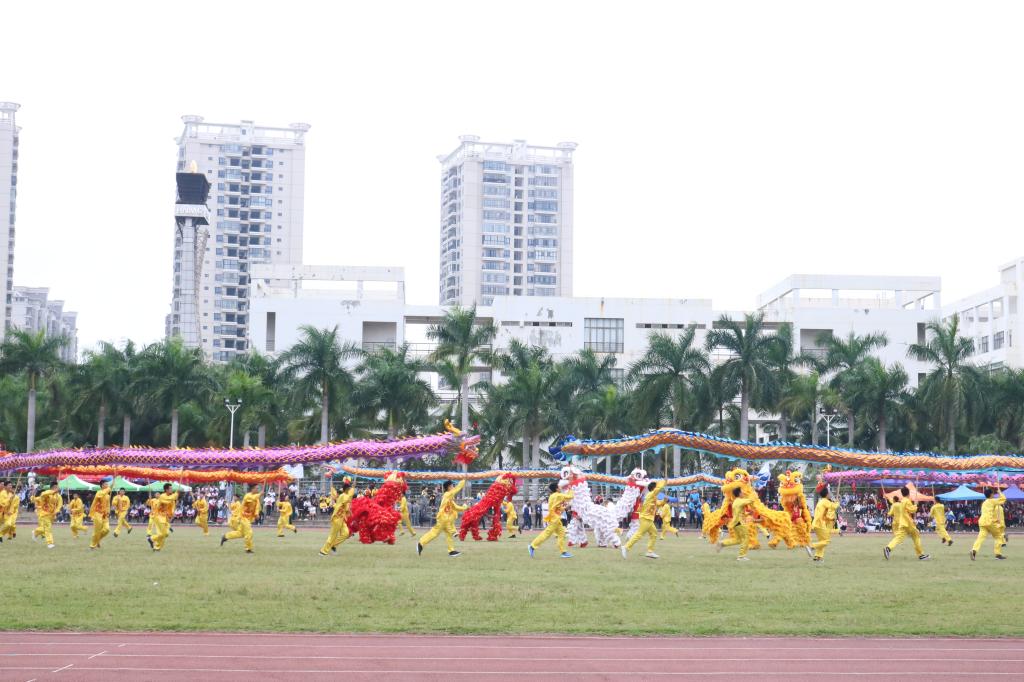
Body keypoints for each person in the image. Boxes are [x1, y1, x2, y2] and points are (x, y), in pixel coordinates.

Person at [417, 479, 467, 557]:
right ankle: (453, 532)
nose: (453, 487)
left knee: (442, 534)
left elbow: (455, 507)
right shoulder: (447, 494)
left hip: (445, 519)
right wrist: (463, 481)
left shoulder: (449, 498)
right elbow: (457, 489)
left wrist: (465, 507)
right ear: (449, 487)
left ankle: (451, 550)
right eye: (452, 486)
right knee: (435, 533)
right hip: (443, 519)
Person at [623, 479, 667, 560]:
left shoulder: (653, 496)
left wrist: (664, 501)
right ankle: (626, 547)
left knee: (654, 534)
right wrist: (664, 482)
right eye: (656, 487)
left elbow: (658, 504)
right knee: (639, 534)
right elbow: (658, 489)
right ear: (654, 488)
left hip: (648, 519)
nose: (658, 490)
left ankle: (650, 551)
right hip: (645, 518)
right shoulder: (650, 494)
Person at [529, 482, 575, 559]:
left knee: (562, 534)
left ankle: (563, 552)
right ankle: (532, 546)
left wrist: (564, 508)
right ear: (556, 489)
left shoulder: (553, 496)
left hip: (555, 518)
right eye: (559, 487)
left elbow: (556, 508)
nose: (560, 488)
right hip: (555, 519)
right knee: (547, 534)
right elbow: (570, 496)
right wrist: (571, 488)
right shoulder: (558, 495)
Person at [884, 487, 929, 561]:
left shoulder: (902, 501)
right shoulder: (907, 501)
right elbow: (912, 510)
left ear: (902, 494)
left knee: (898, 537)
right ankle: (921, 555)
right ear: (908, 493)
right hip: (908, 523)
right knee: (916, 537)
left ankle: (888, 548)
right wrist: (916, 505)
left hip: (902, 523)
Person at [319, 477, 356, 556]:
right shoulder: (343, 496)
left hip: (342, 519)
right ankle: (323, 551)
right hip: (337, 519)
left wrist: (350, 512)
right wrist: (353, 488)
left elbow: (347, 506)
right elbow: (349, 497)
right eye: (349, 489)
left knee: (346, 534)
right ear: (347, 489)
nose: (350, 490)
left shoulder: (344, 496)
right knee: (332, 536)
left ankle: (333, 545)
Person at [222, 484, 261, 553]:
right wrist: (260, 494)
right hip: (243, 517)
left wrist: (256, 514)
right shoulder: (247, 496)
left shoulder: (256, 499)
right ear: (252, 489)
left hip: (247, 518)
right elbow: (252, 499)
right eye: (256, 488)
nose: (257, 490)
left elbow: (257, 507)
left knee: (241, 533)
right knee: (249, 532)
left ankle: (226, 536)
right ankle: (248, 549)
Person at [717, 488, 754, 561]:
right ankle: (741, 556)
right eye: (742, 492)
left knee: (738, 540)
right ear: (739, 493)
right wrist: (753, 493)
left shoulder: (736, 502)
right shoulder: (740, 501)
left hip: (736, 522)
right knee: (745, 538)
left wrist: (748, 513)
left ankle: (722, 543)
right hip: (740, 522)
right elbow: (751, 500)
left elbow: (740, 513)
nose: (743, 493)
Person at [971, 488, 1007, 560]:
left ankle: (974, 550)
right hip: (989, 522)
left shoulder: (984, 503)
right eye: (993, 493)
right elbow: (1003, 499)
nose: (993, 494)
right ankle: (998, 555)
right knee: (998, 536)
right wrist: (999, 492)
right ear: (991, 494)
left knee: (980, 538)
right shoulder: (992, 501)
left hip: (982, 522)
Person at [810, 487, 838, 562]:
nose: (830, 494)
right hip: (819, 523)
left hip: (816, 523)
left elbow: (825, 514)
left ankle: (818, 557)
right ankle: (812, 546)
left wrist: (831, 519)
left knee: (822, 541)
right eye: (829, 493)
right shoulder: (825, 501)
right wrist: (837, 502)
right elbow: (834, 506)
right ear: (826, 494)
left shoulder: (822, 501)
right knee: (827, 541)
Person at [30, 482, 62, 548]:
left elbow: (60, 505)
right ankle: (50, 543)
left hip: (52, 515)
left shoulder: (58, 496)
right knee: (48, 528)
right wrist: (52, 492)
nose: (57, 488)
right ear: (52, 488)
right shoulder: (46, 494)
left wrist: (56, 511)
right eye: (55, 487)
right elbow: (42, 495)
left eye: (57, 487)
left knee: (44, 528)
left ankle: (35, 532)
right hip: (44, 513)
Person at [149, 483, 178, 551]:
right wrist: (175, 494)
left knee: (166, 534)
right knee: (163, 533)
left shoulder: (172, 498)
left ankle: (155, 544)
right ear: (166, 490)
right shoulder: (162, 496)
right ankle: (152, 539)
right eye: (170, 488)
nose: (172, 489)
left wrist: (171, 514)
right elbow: (167, 501)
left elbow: (171, 508)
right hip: (158, 516)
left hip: (164, 517)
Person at [89, 478, 113, 550]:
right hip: (97, 514)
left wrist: (108, 512)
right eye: (106, 484)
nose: (107, 485)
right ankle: (93, 545)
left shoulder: (108, 496)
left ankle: (97, 540)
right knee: (97, 531)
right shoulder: (99, 492)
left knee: (107, 529)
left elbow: (108, 505)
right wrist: (109, 488)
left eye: (107, 484)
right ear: (102, 486)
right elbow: (102, 494)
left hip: (104, 515)